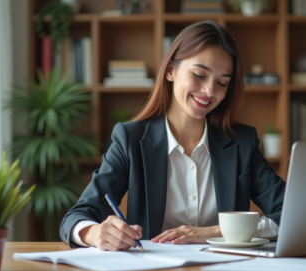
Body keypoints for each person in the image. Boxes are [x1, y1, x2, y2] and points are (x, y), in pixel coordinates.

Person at [60, 20, 286, 251]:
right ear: (170, 71)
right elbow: (76, 217)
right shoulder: (131, 139)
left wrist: (219, 231)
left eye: (222, 82)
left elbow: (292, 211)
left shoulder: (241, 143)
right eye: (199, 75)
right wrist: (94, 233)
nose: (209, 91)